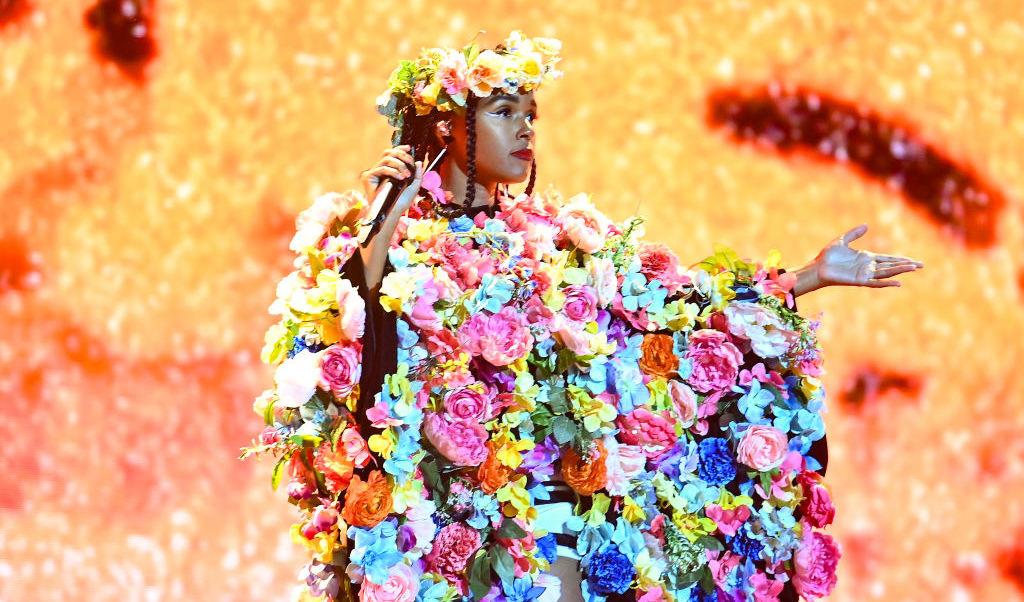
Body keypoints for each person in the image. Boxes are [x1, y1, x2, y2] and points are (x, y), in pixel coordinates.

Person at [254, 30, 925, 602]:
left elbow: (680, 314)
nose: (524, 128)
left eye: (530, 114)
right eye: (503, 111)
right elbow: (361, 323)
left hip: (559, 522)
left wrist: (809, 277)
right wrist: (388, 209)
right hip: (450, 538)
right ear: (444, 128)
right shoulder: (387, 241)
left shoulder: (563, 239)